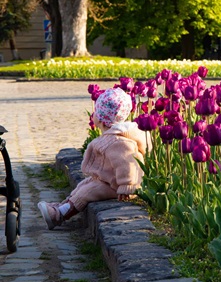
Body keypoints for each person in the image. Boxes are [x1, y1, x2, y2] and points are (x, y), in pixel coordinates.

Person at [38, 87, 147, 230]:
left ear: (102, 119)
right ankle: (63, 205)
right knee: (82, 186)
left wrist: (127, 187)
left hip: (115, 186)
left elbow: (127, 164)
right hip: (107, 180)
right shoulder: (113, 137)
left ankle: (59, 215)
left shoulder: (120, 142)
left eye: (96, 112)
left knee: (86, 193)